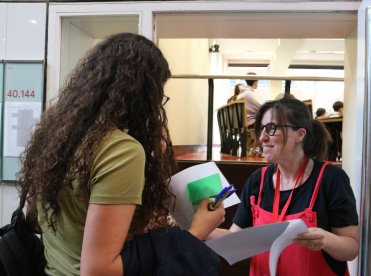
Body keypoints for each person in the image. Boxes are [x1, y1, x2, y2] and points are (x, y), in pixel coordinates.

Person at [17, 33, 225, 275]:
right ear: (144, 95)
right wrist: (195, 232)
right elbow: (97, 270)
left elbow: (36, 220)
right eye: (159, 95)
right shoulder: (122, 150)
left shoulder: (56, 137)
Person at [211, 97, 359, 275]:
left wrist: (326, 239)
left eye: (272, 129)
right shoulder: (257, 181)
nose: (262, 137)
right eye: (262, 129)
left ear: (300, 134)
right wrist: (196, 229)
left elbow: (352, 248)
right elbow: (234, 239)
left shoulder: (330, 179)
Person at [236, 72, 262, 156]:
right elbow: (262, 106)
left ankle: (257, 149)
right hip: (250, 121)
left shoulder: (240, 94)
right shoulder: (249, 93)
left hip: (243, 122)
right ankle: (254, 150)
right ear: (256, 81)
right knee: (269, 125)